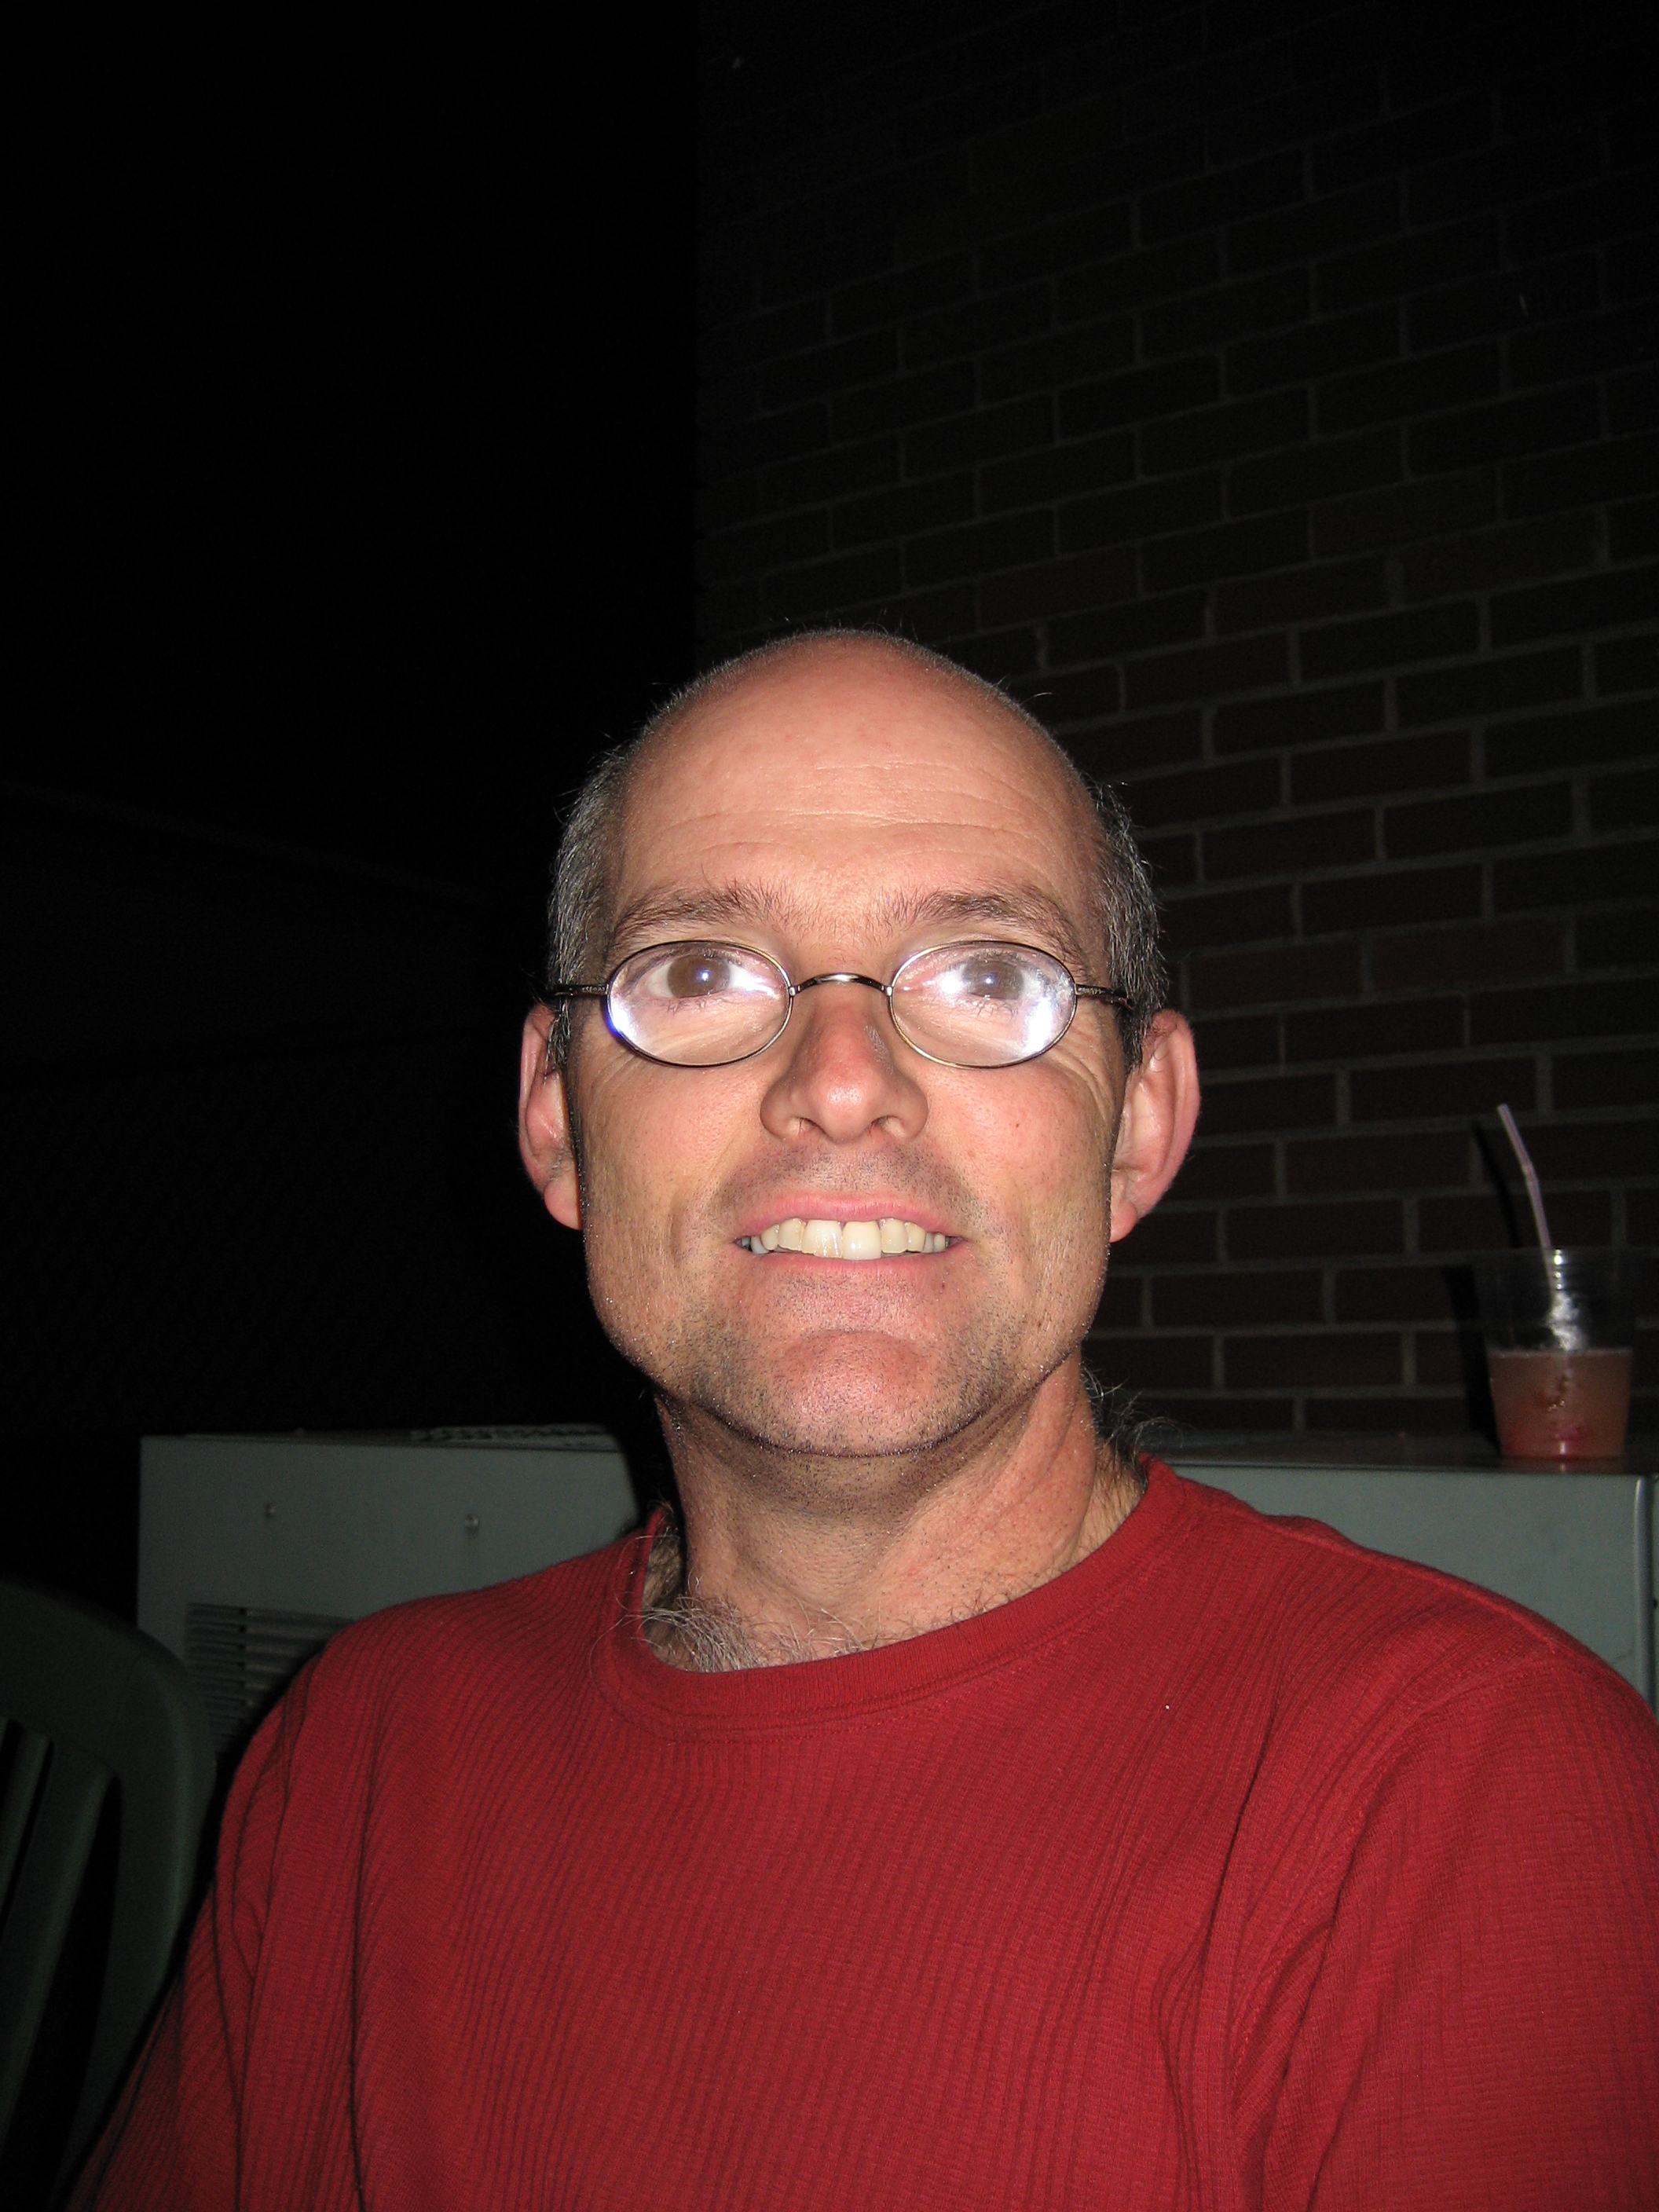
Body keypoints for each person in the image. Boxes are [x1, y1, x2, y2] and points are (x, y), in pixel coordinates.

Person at [77, 632, 1658, 2209]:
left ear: (1138, 1127)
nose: (841, 1082)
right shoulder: (360, 1752)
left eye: (988, 974)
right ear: (557, 1118)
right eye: (701, 970)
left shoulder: (1465, 1799)